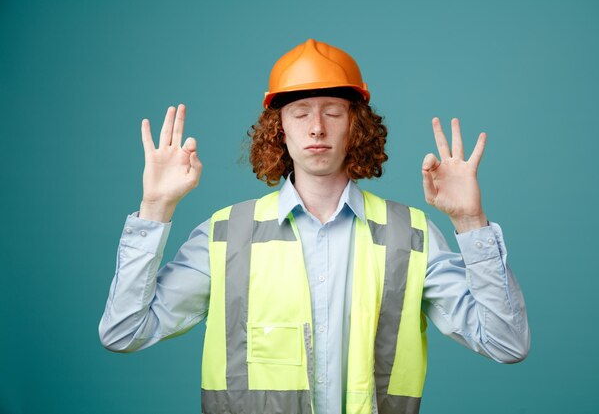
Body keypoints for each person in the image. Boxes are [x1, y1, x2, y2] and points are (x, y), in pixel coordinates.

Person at [99, 39, 530, 414]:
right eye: (300, 112)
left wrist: (469, 221)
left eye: (333, 112)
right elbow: (124, 332)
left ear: (355, 127)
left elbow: (506, 343)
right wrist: (154, 207)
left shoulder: (411, 235)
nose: (317, 127)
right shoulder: (225, 235)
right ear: (279, 129)